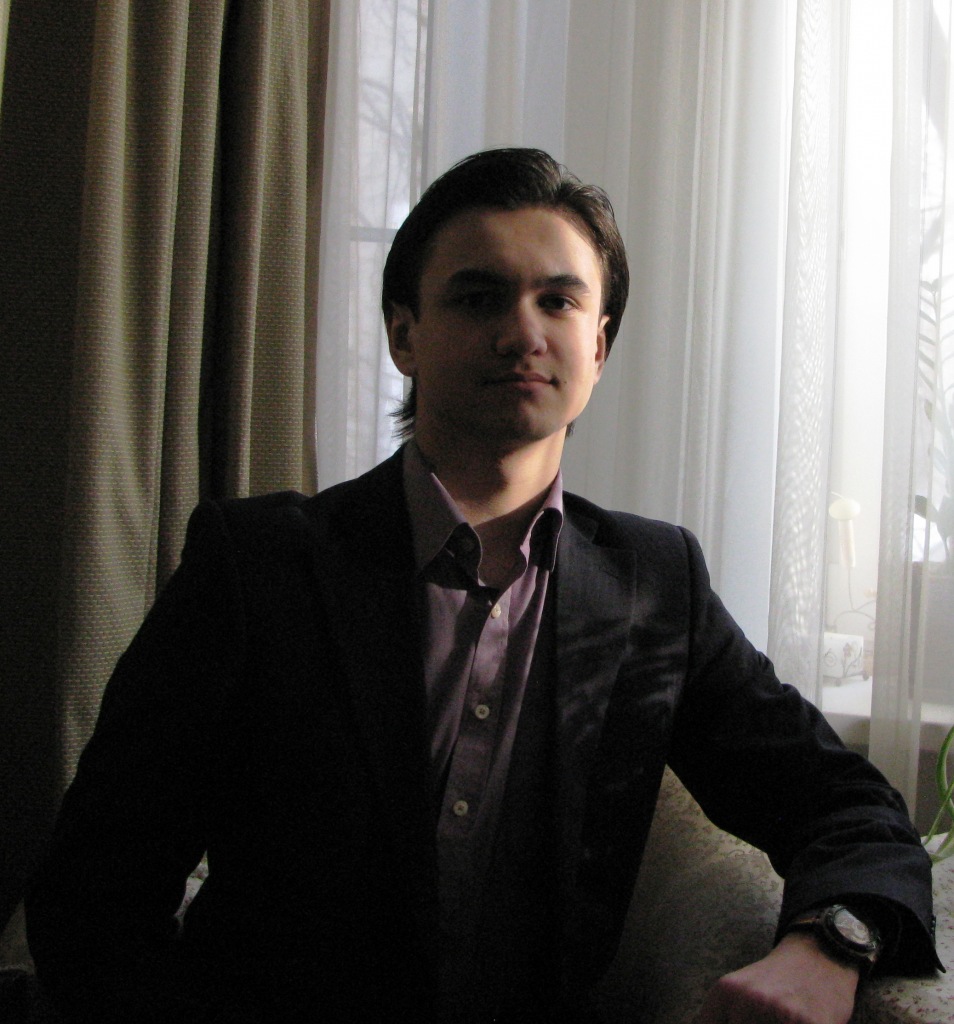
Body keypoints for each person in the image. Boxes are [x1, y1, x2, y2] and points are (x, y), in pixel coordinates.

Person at [26, 148, 939, 1024]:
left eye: (558, 300)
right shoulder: (258, 565)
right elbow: (93, 893)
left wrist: (831, 943)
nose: (522, 333)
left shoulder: (657, 589)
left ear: (599, 347)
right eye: (478, 296)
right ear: (404, 335)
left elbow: (847, 807)